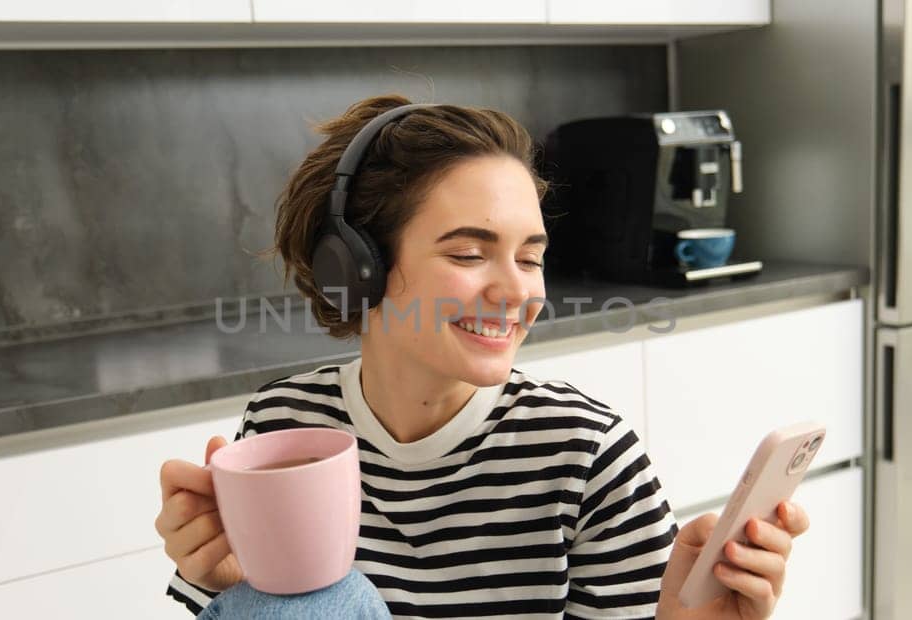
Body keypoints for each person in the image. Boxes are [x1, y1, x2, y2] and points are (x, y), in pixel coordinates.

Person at [155, 94, 811, 619]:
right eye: (469, 253)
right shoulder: (282, 428)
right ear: (357, 268)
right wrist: (213, 578)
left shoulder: (586, 455)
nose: (517, 291)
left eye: (531, 257)